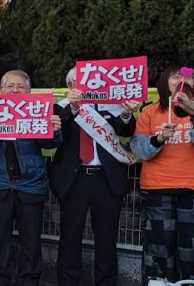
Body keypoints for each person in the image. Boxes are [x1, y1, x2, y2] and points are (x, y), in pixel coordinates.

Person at [0, 70, 62, 286]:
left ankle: (28, 281)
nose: (15, 90)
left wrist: (54, 130)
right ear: (1, 90)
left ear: (29, 91)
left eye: (21, 87)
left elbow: (51, 144)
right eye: (10, 86)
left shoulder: (38, 113)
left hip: (30, 185)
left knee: (31, 241)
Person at [130, 66, 194, 283]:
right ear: (165, 82)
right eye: (176, 76)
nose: (182, 79)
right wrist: (158, 139)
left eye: (188, 76)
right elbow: (139, 149)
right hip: (158, 189)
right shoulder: (150, 111)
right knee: (159, 250)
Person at [52, 69, 138, 286]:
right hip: (74, 179)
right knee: (70, 236)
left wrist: (127, 114)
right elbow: (52, 132)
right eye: (78, 83)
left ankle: (106, 282)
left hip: (106, 179)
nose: (84, 88)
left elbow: (126, 131)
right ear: (70, 85)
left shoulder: (113, 106)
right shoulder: (60, 107)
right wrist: (72, 107)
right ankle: (68, 281)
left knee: (107, 238)